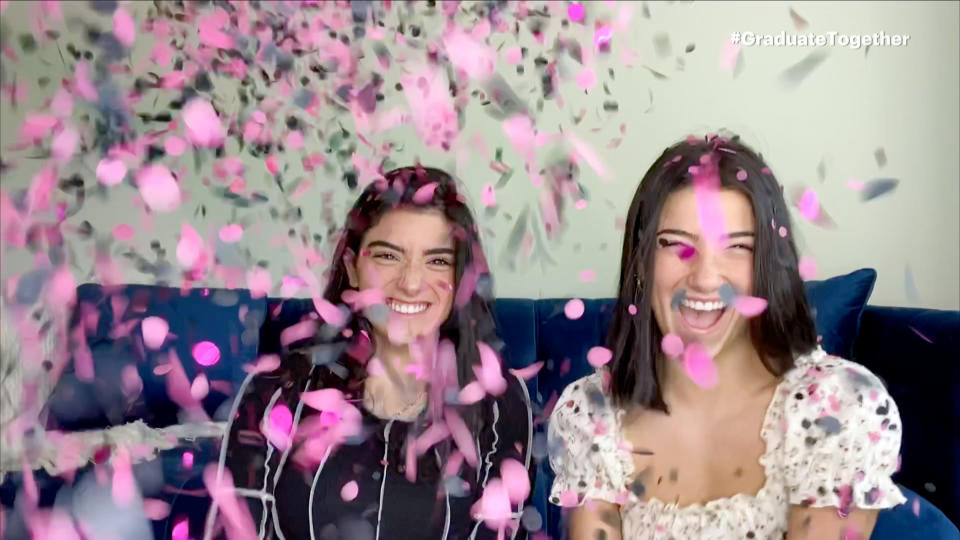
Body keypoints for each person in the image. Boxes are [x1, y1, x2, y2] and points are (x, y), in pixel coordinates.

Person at [548, 134, 905, 539]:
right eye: (676, 245)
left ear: (768, 267)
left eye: (737, 247)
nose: (704, 278)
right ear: (641, 262)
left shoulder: (839, 408)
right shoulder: (593, 413)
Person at [204, 166, 534, 540]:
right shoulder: (274, 390)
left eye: (438, 260)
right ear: (353, 268)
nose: (411, 282)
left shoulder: (500, 405)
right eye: (388, 257)